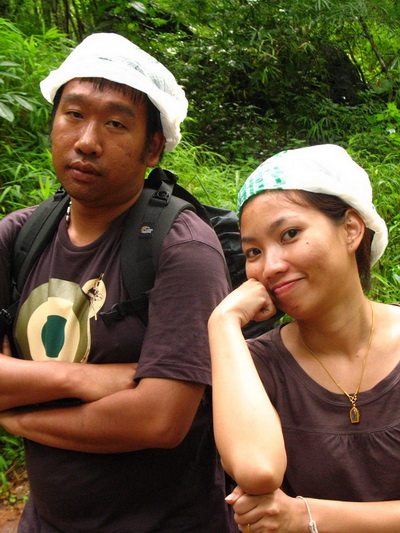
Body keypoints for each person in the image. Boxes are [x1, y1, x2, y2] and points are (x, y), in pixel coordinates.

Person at [0, 33, 237, 532]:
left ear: (153, 148)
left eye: (115, 123)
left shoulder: (182, 248)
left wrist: (17, 416)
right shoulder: (18, 235)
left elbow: (159, 420)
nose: (87, 140)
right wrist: (82, 378)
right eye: (73, 114)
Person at [208, 144, 400, 533]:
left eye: (290, 234)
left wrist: (304, 515)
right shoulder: (254, 365)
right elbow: (258, 471)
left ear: (351, 229)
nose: (271, 266)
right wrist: (223, 322)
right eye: (253, 251)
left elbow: (285, 511)